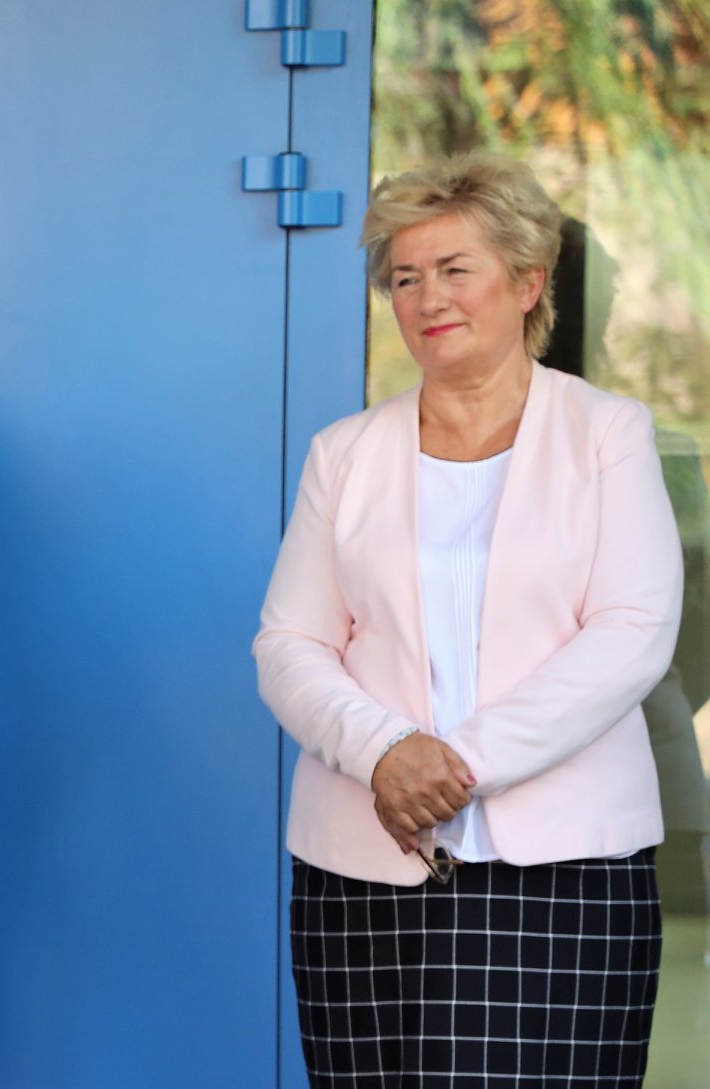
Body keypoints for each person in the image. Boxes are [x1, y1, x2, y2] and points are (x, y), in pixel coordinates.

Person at [254, 152, 684, 1086]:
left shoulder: (608, 433)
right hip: (362, 872)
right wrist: (386, 751)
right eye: (405, 277)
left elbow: (633, 629)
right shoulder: (343, 453)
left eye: (455, 269)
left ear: (528, 283)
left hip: (569, 871)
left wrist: (455, 768)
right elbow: (289, 645)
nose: (427, 298)